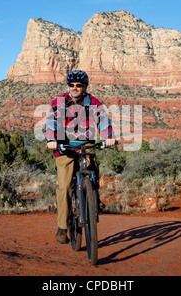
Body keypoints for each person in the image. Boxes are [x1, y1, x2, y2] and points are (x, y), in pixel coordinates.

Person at [45, 70, 116, 244]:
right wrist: (51, 139)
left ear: (85, 86)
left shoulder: (93, 102)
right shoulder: (59, 101)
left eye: (79, 85)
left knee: (93, 172)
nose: (75, 88)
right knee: (64, 188)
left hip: (86, 145)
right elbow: (51, 121)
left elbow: (103, 119)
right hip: (64, 148)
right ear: (68, 86)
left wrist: (108, 136)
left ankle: (93, 200)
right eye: (72, 85)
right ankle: (62, 227)